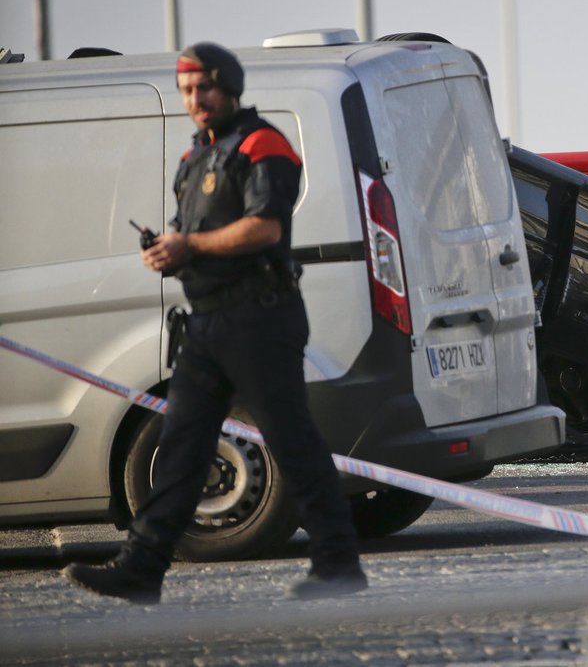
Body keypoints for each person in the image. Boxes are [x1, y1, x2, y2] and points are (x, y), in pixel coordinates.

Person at [65, 42, 366, 604]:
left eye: (204, 86)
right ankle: (142, 567)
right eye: (186, 91)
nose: (195, 99)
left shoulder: (263, 144)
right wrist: (164, 252)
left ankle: (338, 562)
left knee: (291, 441)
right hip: (205, 325)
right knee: (180, 447)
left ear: (230, 85)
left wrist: (190, 244)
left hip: (259, 319)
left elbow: (265, 229)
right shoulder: (193, 158)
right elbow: (189, 235)